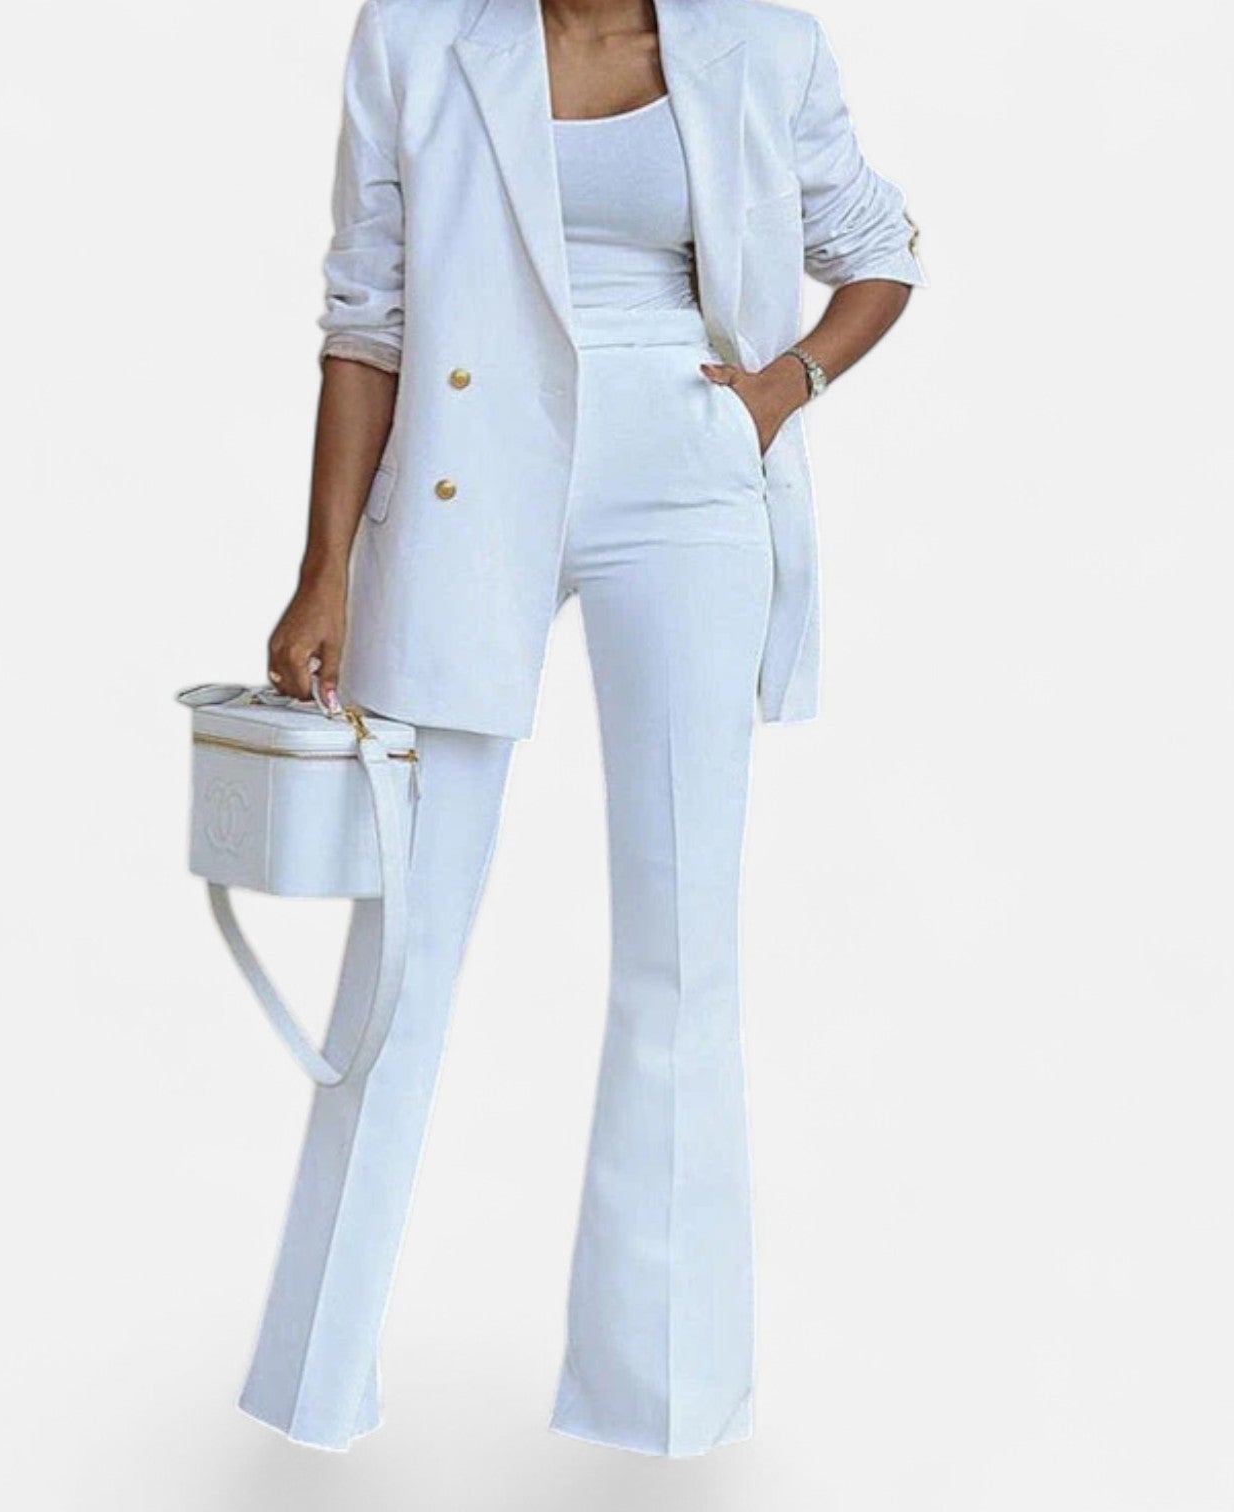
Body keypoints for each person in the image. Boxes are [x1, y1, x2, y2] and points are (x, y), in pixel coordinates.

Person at [247, 0, 924, 1456]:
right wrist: (324, 569)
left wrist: (780, 390)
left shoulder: (766, 46)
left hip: (686, 477)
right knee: (405, 947)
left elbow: (882, 246)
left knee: (684, 947)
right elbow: (368, 314)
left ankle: (663, 1402)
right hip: (465, 480)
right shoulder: (416, 37)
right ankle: (313, 1390)